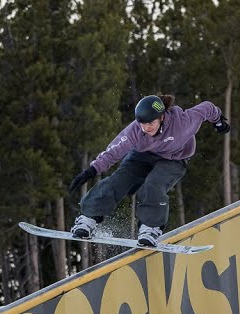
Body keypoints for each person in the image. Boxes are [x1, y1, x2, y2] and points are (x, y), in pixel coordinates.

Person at [68, 94, 229, 248]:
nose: (146, 128)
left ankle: (150, 228)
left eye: (150, 123)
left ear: (161, 117)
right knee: (119, 180)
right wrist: (92, 170)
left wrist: (218, 121)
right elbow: (114, 150)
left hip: (174, 159)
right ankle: (88, 218)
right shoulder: (136, 131)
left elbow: (207, 108)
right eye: (142, 123)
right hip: (142, 156)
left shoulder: (183, 122)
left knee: (153, 184)